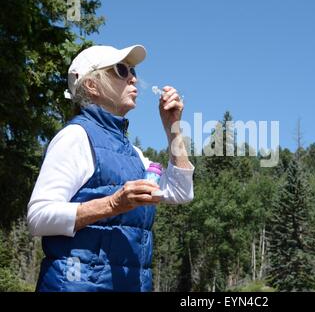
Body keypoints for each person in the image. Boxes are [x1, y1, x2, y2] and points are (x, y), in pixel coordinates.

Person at [27, 44, 194, 292]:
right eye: (121, 70)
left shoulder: (133, 153)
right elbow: (38, 217)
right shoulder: (75, 136)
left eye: (133, 71)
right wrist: (112, 204)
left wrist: (173, 127)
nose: (133, 78)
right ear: (91, 85)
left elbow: (180, 192)